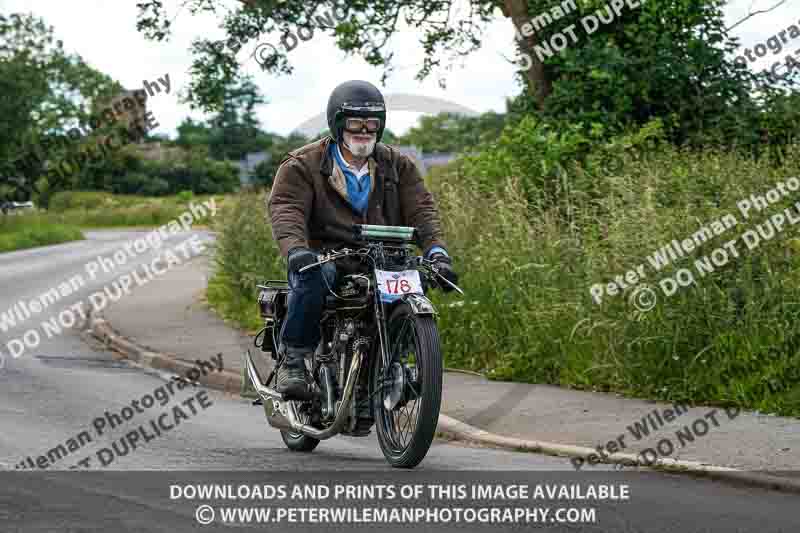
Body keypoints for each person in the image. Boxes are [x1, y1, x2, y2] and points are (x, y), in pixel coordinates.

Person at [266, 80, 458, 399]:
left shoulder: (398, 164)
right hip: (325, 255)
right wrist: (297, 251)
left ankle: (398, 360)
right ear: (338, 124)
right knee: (314, 276)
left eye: (372, 124)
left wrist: (437, 251)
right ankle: (295, 360)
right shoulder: (302, 164)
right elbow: (286, 208)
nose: (364, 130)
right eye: (355, 122)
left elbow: (422, 208)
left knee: (415, 281)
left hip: (382, 256)